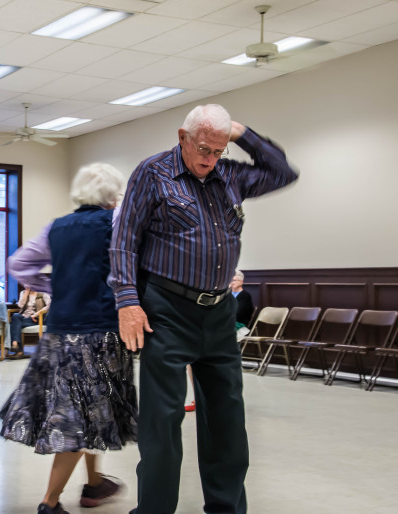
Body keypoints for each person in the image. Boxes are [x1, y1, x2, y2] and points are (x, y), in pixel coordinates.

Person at [110, 104, 298, 514]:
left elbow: (283, 171)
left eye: (218, 150)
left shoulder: (228, 175)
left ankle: (226, 508)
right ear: (182, 137)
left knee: (228, 419)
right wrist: (127, 301)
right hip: (166, 310)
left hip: (218, 313)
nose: (209, 159)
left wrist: (241, 133)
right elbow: (124, 239)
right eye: (202, 149)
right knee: (162, 420)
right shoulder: (153, 173)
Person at [0, 163, 137, 514]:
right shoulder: (116, 220)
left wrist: (55, 285)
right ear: (112, 195)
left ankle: (94, 485)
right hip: (99, 332)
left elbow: (19, 264)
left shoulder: (56, 227)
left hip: (59, 332)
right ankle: (49, 503)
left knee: (89, 409)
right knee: (79, 417)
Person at [9, 287, 50, 358]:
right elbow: (20, 305)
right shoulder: (23, 292)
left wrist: (36, 314)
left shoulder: (43, 293)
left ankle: (17, 348)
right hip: (24, 318)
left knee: (15, 325)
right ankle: (15, 344)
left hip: (37, 319)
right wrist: (26, 293)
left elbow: (50, 305)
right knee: (16, 316)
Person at [231, 270, 254, 341]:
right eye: (230, 280)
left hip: (239, 323)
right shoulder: (227, 294)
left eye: (234, 280)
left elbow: (238, 313)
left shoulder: (245, 296)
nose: (232, 282)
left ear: (241, 282)